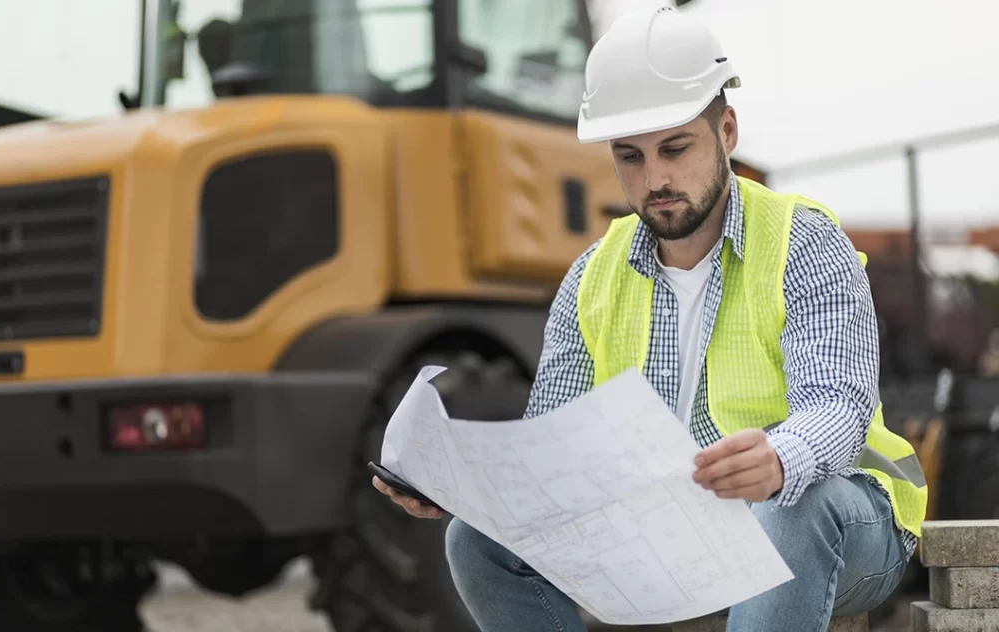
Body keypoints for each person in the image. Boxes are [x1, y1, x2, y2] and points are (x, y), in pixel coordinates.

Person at [372, 6, 927, 632]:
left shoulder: (803, 241)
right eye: (629, 156)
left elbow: (839, 406)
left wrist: (779, 457)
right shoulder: (592, 276)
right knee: (474, 541)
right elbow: (556, 449)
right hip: (679, 537)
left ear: (728, 130)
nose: (655, 178)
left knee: (790, 510)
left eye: (675, 147)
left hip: (844, 524)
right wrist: (466, 491)